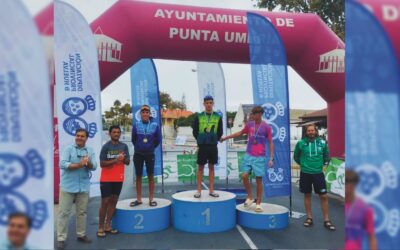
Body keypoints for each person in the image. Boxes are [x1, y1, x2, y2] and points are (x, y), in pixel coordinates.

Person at [220, 106, 274, 212]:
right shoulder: (249, 125)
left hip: (260, 157)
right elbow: (239, 133)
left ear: (261, 114)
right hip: (248, 155)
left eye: (258, 113)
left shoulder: (266, 127)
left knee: (259, 180)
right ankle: (250, 196)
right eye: (254, 113)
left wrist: (271, 158)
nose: (256, 115)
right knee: (244, 176)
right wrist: (226, 138)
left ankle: (258, 203)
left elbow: (271, 143)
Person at [57, 128, 97, 250]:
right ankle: (61, 238)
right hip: (67, 186)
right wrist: (78, 165)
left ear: (86, 138)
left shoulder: (90, 150)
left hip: (83, 186)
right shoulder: (69, 149)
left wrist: (87, 162)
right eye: (77, 135)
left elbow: (94, 166)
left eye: (82, 136)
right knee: (64, 213)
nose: (79, 138)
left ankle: (81, 234)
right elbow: (62, 164)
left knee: (82, 212)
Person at [293, 124, 335, 230]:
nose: (311, 132)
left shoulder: (322, 143)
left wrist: (320, 164)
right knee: (307, 195)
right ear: (306, 132)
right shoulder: (301, 143)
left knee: (324, 196)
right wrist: (303, 164)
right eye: (309, 130)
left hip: (318, 173)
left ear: (316, 131)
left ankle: (327, 219)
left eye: (312, 130)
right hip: (305, 173)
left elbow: (326, 156)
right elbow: (296, 157)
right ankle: (309, 218)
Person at [97, 125, 130, 237]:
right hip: (106, 178)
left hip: (118, 178)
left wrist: (123, 159)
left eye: (118, 132)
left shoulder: (124, 146)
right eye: (114, 132)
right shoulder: (106, 147)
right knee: (105, 202)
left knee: (113, 201)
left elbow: (128, 162)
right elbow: (102, 164)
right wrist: (116, 160)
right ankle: (100, 227)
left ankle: (107, 225)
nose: (116, 134)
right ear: (109, 134)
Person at [192, 95, 223, 198]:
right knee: (200, 167)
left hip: (213, 146)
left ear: (213, 104)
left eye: (210, 103)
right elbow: (195, 131)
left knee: (211, 167)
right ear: (204, 104)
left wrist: (214, 139)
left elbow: (220, 131)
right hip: (202, 146)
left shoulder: (218, 117)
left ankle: (211, 190)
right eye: (207, 103)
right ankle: (199, 191)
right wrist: (200, 140)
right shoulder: (199, 116)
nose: (209, 105)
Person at [130, 105, 161, 207]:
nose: (145, 114)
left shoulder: (155, 125)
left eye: (147, 112)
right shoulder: (136, 125)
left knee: (150, 176)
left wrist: (150, 146)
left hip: (150, 154)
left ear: (149, 114)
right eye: (143, 112)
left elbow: (158, 140)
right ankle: (139, 199)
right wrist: (139, 146)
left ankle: (151, 199)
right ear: (141, 114)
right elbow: (133, 139)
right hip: (138, 154)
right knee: (138, 176)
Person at [345, 169, 377, 250]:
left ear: (354, 185)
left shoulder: (364, 208)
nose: (345, 186)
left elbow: (372, 237)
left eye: (347, 183)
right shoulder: (337, 206)